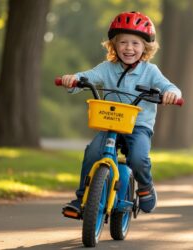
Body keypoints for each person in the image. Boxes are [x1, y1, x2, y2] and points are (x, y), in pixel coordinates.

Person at [60, 11, 182, 214]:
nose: (129, 48)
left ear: (146, 47)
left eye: (135, 43)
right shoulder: (107, 68)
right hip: (109, 123)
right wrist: (73, 79)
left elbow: (170, 87)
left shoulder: (150, 71)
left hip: (138, 126)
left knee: (138, 158)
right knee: (92, 152)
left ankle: (145, 186)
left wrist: (171, 94)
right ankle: (82, 198)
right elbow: (87, 77)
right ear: (114, 45)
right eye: (123, 42)